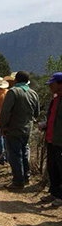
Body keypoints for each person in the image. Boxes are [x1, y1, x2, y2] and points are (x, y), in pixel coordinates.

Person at [0, 71, 40, 190]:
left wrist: (3, 126)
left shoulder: (13, 92)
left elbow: (5, 112)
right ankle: (26, 178)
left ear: (16, 80)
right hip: (28, 128)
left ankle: (18, 181)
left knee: (15, 154)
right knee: (24, 152)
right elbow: (36, 113)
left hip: (14, 128)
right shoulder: (33, 93)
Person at [40, 73, 62, 206]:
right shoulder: (55, 100)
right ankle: (54, 193)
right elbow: (52, 118)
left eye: (52, 84)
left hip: (60, 141)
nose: (50, 87)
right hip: (51, 139)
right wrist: (45, 125)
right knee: (52, 168)